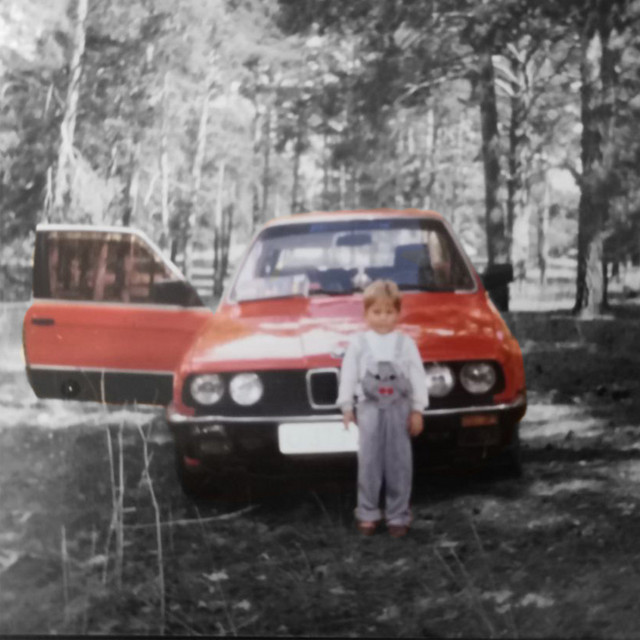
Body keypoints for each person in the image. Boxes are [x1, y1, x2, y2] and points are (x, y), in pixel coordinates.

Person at [336, 279, 428, 538]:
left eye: (389, 312)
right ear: (366, 313)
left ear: (398, 313)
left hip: (399, 409)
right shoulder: (358, 343)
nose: (383, 318)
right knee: (369, 462)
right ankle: (367, 512)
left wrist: (417, 410)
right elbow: (349, 375)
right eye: (377, 312)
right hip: (369, 409)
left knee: (399, 462)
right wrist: (346, 406)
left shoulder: (405, 344)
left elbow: (417, 377)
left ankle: (398, 515)